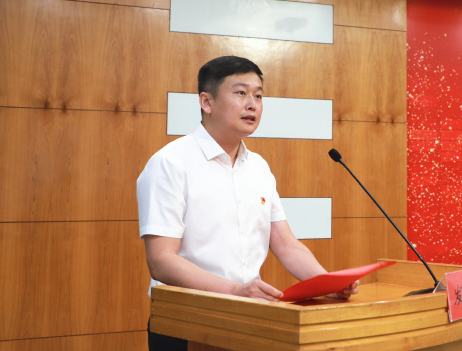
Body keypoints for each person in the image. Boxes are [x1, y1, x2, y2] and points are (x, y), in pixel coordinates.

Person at [137, 56, 357, 349]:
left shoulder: (259, 167)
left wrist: (327, 283)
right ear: (206, 102)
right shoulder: (170, 163)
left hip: (249, 319)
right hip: (186, 321)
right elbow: (161, 261)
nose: (252, 104)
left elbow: (286, 244)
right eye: (241, 93)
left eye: (258, 96)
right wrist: (236, 291)